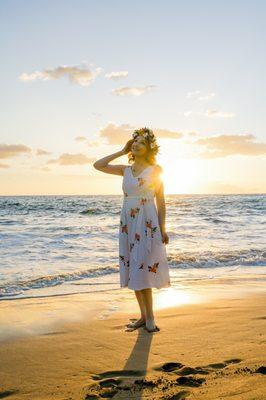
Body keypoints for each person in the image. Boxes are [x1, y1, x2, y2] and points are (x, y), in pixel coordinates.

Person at [93, 127, 171, 333]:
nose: (136, 144)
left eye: (141, 142)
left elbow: (161, 203)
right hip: (128, 224)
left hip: (147, 224)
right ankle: (143, 317)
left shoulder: (156, 171)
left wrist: (163, 229)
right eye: (134, 141)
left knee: (143, 267)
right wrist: (121, 151)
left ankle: (150, 317)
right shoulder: (125, 170)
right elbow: (98, 165)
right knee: (133, 268)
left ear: (149, 148)